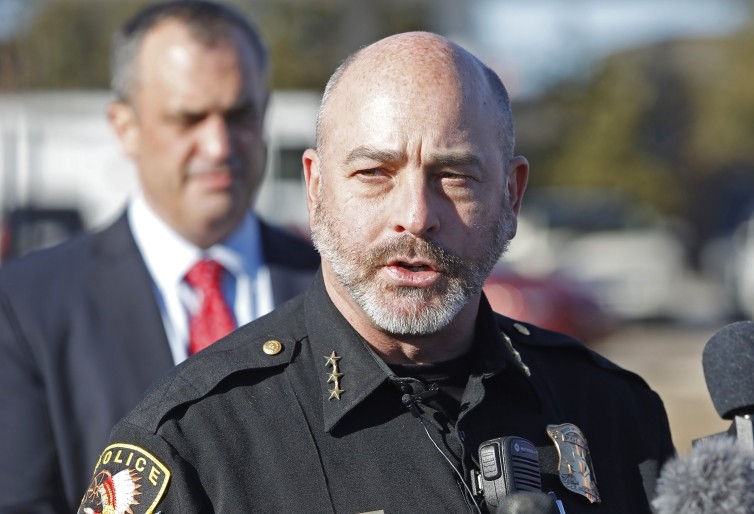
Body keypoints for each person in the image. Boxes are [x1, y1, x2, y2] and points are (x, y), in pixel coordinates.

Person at [76, 31, 674, 513]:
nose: (415, 216)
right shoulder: (197, 444)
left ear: (512, 198)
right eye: (374, 174)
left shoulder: (611, 413)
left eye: (456, 176)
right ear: (315, 190)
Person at [0, 1, 319, 511]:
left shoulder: (330, 285)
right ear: (124, 126)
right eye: (188, 118)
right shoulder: (27, 307)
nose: (218, 145)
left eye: (239, 114)